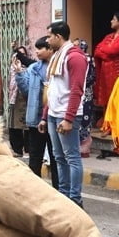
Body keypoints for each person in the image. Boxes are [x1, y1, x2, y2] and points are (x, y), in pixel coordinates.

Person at [38, 21, 88, 207]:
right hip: (53, 113)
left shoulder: (75, 57)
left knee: (72, 157)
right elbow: (52, 90)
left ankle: (75, 199)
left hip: (67, 115)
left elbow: (76, 90)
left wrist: (68, 119)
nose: (48, 39)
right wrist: (45, 115)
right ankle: (64, 195)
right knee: (58, 157)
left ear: (58, 37)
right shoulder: (57, 56)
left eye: (50, 36)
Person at [18, 37, 60, 190]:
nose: (37, 51)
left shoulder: (58, 67)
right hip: (36, 119)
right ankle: (35, 191)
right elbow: (27, 92)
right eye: (36, 48)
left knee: (56, 158)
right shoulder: (33, 68)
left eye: (40, 48)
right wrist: (19, 76)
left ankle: (58, 191)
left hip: (54, 119)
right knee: (35, 157)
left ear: (50, 50)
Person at [92, 12, 119, 136]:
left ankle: (117, 126)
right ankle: (108, 125)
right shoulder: (109, 36)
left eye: (114, 19)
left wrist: (105, 52)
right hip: (106, 74)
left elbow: (113, 50)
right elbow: (97, 50)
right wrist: (107, 53)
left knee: (118, 99)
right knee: (107, 99)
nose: (111, 21)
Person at [7, 46, 34, 156]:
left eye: (22, 55)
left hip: (27, 98)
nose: (19, 57)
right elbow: (11, 82)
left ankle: (28, 148)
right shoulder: (13, 67)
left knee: (28, 125)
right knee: (14, 125)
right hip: (15, 97)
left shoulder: (31, 68)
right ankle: (17, 149)